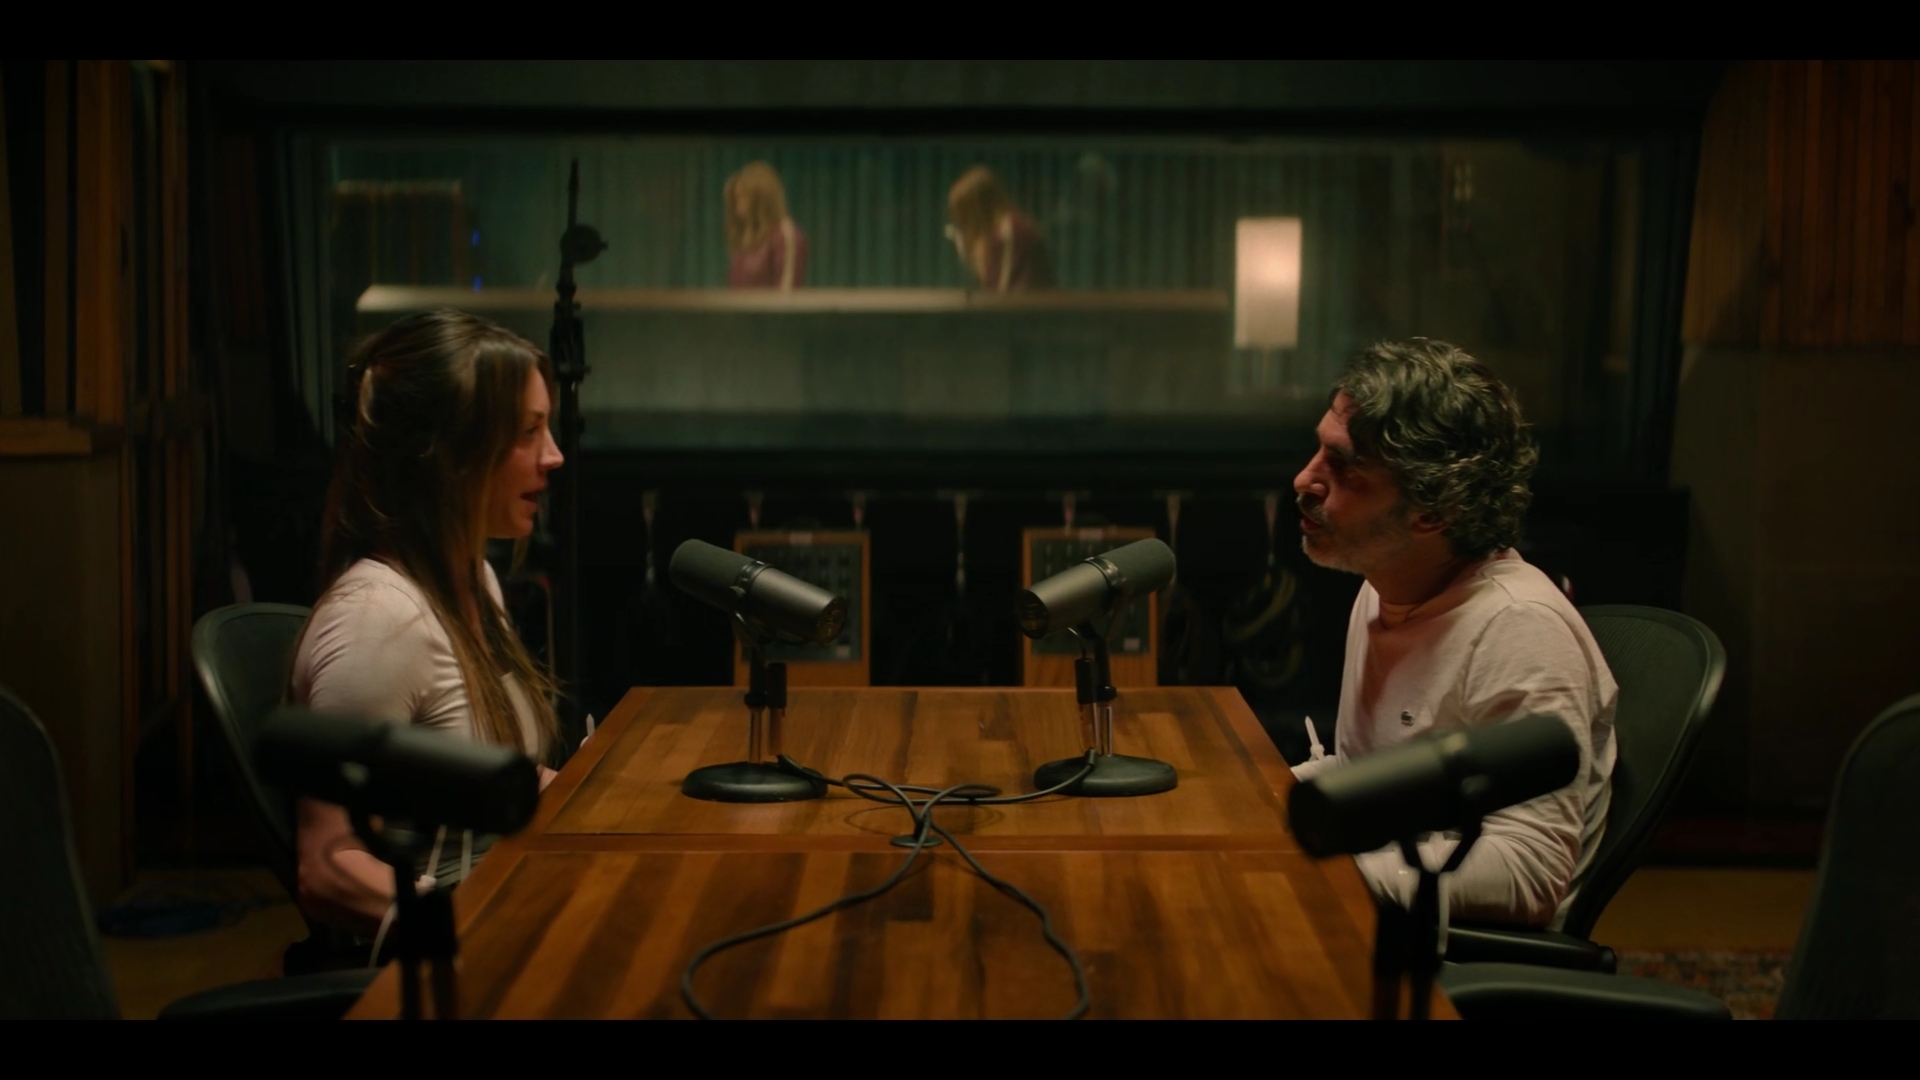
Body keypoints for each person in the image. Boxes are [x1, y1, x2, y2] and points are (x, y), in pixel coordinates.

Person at [1288, 339, 1616, 930]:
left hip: (1457, 954)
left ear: (1433, 511)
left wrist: (1312, 874)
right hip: (1374, 918)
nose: (1304, 479)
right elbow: (1378, 776)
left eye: (1344, 466)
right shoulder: (1384, 585)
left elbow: (1529, 869)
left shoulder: (1519, 627)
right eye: (1319, 451)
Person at [289, 309, 566, 943]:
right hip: (444, 968)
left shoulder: (474, 578)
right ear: (449, 454)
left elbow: (486, 765)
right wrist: (473, 928)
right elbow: (328, 867)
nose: (554, 456)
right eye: (528, 432)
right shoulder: (377, 622)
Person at [946, 165, 1054, 292]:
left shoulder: (1010, 232)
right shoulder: (995, 235)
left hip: (1031, 303)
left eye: (964, 216)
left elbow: (1004, 292)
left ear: (976, 209)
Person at [725, 161, 807, 290]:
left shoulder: (784, 235)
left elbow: (787, 292)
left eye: (742, 198)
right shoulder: (745, 242)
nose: (737, 208)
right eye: (736, 200)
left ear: (760, 198)